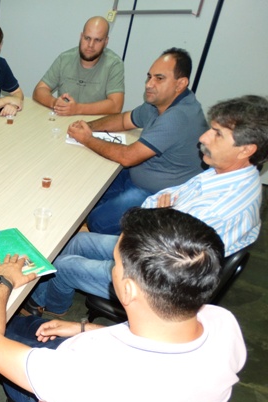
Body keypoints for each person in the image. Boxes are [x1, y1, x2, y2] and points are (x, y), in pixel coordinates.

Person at [0, 208, 246, 402]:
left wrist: (3, 281)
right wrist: (83, 328)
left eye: (116, 263)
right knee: (32, 327)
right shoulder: (222, 321)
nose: (113, 268)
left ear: (127, 289)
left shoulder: (89, 372)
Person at [28, 95, 266, 317]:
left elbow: (166, 256)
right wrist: (163, 216)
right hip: (156, 249)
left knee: (65, 265)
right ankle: (41, 297)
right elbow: (162, 197)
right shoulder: (221, 173)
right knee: (76, 242)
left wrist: (159, 217)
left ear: (246, 149)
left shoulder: (222, 206)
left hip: (160, 283)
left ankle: (51, 308)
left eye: (217, 134)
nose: (203, 138)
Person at [68, 47, 207, 235]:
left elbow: (128, 157)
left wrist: (87, 139)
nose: (149, 84)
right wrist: (87, 126)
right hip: (139, 175)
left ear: (180, 84)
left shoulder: (179, 116)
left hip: (158, 195)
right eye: (149, 77)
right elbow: (124, 120)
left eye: (159, 78)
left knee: (97, 220)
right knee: (87, 192)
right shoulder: (159, 102)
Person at [32, 16, 125, 116]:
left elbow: (116, 105)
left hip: (93, 125)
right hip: (63, 121)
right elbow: (39, 90)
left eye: (97, 40)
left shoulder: (114, 64)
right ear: (81, 36)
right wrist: (55, 103)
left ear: (106, 41)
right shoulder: (65, 58)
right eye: (87, 38)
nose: (90, 45)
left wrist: (77, 109)